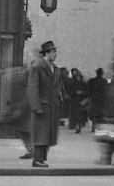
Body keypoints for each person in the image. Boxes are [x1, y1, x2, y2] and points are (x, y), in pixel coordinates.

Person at [27, 40, 63, 168]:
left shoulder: (55, 68)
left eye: (55, 52)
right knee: (41, 134)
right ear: (46, 53)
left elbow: (57, 87)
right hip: (42, 106)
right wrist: (36, 106)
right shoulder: (37, 67)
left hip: (52, 106)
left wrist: (59, 101)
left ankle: (41, 159)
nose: (55, 54)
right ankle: (37, 159)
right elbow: (33, 88)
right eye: (53, 52)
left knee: (47, 134)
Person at [67, 68, 89, 133]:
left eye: (79, 77)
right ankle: (77, 126)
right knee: (77, 114)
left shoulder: (83, 83)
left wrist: (81, 93)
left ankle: (79, 125)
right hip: (75, 101)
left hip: (81, 101)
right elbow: (69, 91)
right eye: (77, 77)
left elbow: (87, 92)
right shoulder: (72, 83)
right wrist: (77, 92)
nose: (78, 78)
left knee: (80, 114)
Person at [87, 68, 108, 134]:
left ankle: (93, 126)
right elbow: (105, 91)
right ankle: (99, 127)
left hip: (94, 99)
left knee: (94, 113)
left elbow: (88, 90)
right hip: (102, 99)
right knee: (100, 113)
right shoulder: (104, 81)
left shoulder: (92, 81)